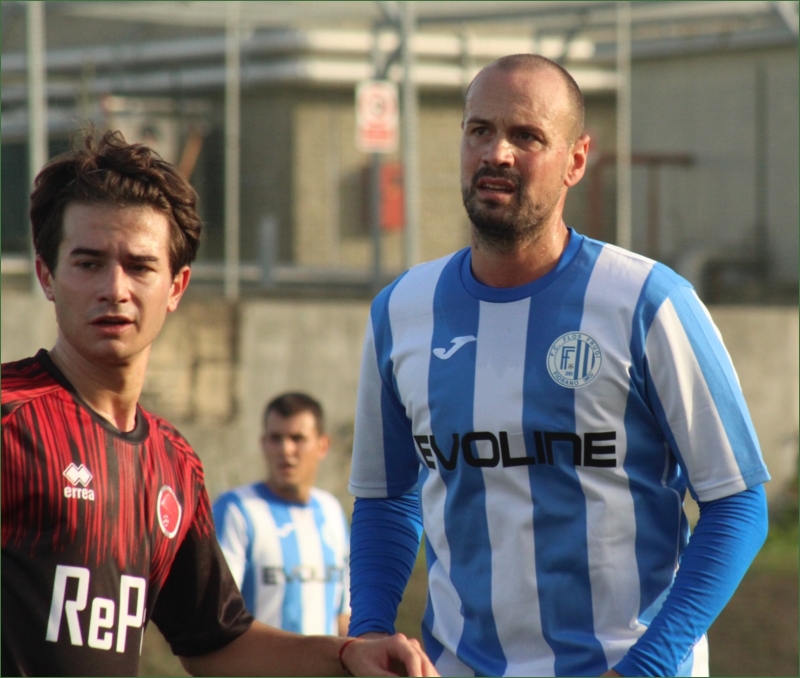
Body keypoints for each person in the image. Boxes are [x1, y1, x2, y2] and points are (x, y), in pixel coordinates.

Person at [346, 54, 770, 677]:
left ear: (576, 160)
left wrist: (646, 667)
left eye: (527, 136)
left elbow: (737, 503)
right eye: (480, 130)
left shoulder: (648, 302)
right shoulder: (401, 310)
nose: (497, 153)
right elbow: (386, 499)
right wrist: (370, 631)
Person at [0, 129, 437, 677]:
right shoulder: (11, 419)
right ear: (46, 275)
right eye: (88, 263)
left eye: (140, 266)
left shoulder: (172, 464)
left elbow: (218, 643)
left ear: (176, 287)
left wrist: (349, 654)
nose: (115, 288)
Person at [213, 392, 351, 636]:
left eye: (298, 438)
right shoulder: (237, 510)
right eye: (276, 438)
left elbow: (344, 614)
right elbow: (216, 616)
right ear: (263, 444)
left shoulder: (331, 511)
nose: (286, 450)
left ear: (323, 446)